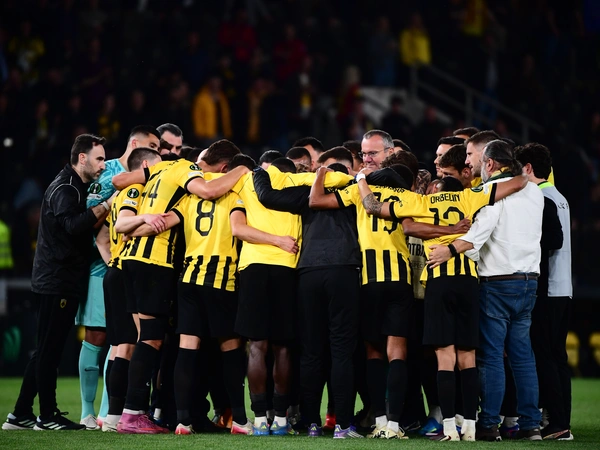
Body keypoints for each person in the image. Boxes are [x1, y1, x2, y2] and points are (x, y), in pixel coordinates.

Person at [112, 140, 250, 434]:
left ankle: (169, 418)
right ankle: (134, 413)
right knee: (157, 341)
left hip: (157, 268)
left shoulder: (165, 176)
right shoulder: (210, 183)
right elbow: (211, 193)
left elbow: (121, 182)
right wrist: (242, 170)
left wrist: (134, 229)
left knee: (153, 342)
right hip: (178, 266)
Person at [427, 140, 544, 441]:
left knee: (491, 356)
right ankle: (531, 424)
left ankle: (489, 424)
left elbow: (478, 234)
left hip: (498, 281)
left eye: (474, 158)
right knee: (523, 356)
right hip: (529, 280)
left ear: (490, 163)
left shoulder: (491, 192)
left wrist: (449, 250)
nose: (472, 163)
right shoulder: (534, 191)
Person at [3, 134, 109, 431]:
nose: (103, 165)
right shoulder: (66, 187)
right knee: (49, 350)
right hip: (57, 281)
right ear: (82, 158)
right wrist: (106, 206)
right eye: (99, 158)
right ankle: (47, 415)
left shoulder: (73, 185)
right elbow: (73, 226)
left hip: (59, 279)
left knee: (46, 348)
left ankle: (21, 413)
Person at [253, 152, 362, 439]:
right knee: (342, 352)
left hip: (309, 271)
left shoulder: (308, 191)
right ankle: (343, 425)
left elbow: (269, 197)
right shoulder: (355, 190)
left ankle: (311, 422)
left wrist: (259, 171)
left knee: (311, 352)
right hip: (344, 269)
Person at [76, 125, 160, 430]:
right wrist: (114, 263)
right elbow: (91, 223)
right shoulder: (108, 173)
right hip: (101, 268)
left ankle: (107, 413)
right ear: (137, 145)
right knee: (99, 337)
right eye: (155, 147)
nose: (162, 154)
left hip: (125, 269)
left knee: (122, 341)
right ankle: (88, 412)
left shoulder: (150, 181)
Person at [95, 147, 162, 432]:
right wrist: (147, 219)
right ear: (145, 165)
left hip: (116, 270)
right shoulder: (136, 191)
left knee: (122, 346)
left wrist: (113, 261)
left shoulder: (121, 194)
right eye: (158, 165)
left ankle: (113, 415)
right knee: (133, 344)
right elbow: (124, 225)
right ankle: (126, 413)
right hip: (126, 272)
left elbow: (101, 238)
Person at [515, 143, 573, 440]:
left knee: (545, 355)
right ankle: (562, 421)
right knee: (557, 356)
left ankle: (557, 422)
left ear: (527, 168)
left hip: (548, 288)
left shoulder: (540, 197)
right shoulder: (558, 196)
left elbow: (552, 240)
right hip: (563, 286)